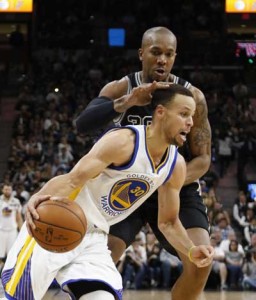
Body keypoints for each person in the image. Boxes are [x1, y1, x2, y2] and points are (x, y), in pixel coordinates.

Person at [1, 86, 214, 300]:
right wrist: (37, 198)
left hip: (95, 235)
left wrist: (190, 250)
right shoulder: (124, 142)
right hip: (54, 221)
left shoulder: (175, 165)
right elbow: (73, 179)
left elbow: (168, 222)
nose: (191, 123)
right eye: (184, 114)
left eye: (192, 116)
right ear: (160, 112)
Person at [75, 26, 212, 300]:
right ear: (142, 54)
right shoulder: (121, 88)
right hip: (126, 187)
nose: (162, 59)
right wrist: (127, 102)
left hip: (175, 188)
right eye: (156, 52)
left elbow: (203, 159)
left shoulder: (191, 97)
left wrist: (162, 180)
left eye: (169, 54)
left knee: (201, 261)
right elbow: (83, 125)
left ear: (174, 58)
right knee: (101, 258)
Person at [0, 184, 23, 272]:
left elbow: (19, 217)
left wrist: (21, 231)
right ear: (2, 190)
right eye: (6, 189)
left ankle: (9, 275)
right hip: (1, 230)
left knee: (12, 255)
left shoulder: (16, 201)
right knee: (0, 255)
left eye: (9, 189)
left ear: (11, 190)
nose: (7, 191)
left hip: (12, 231)